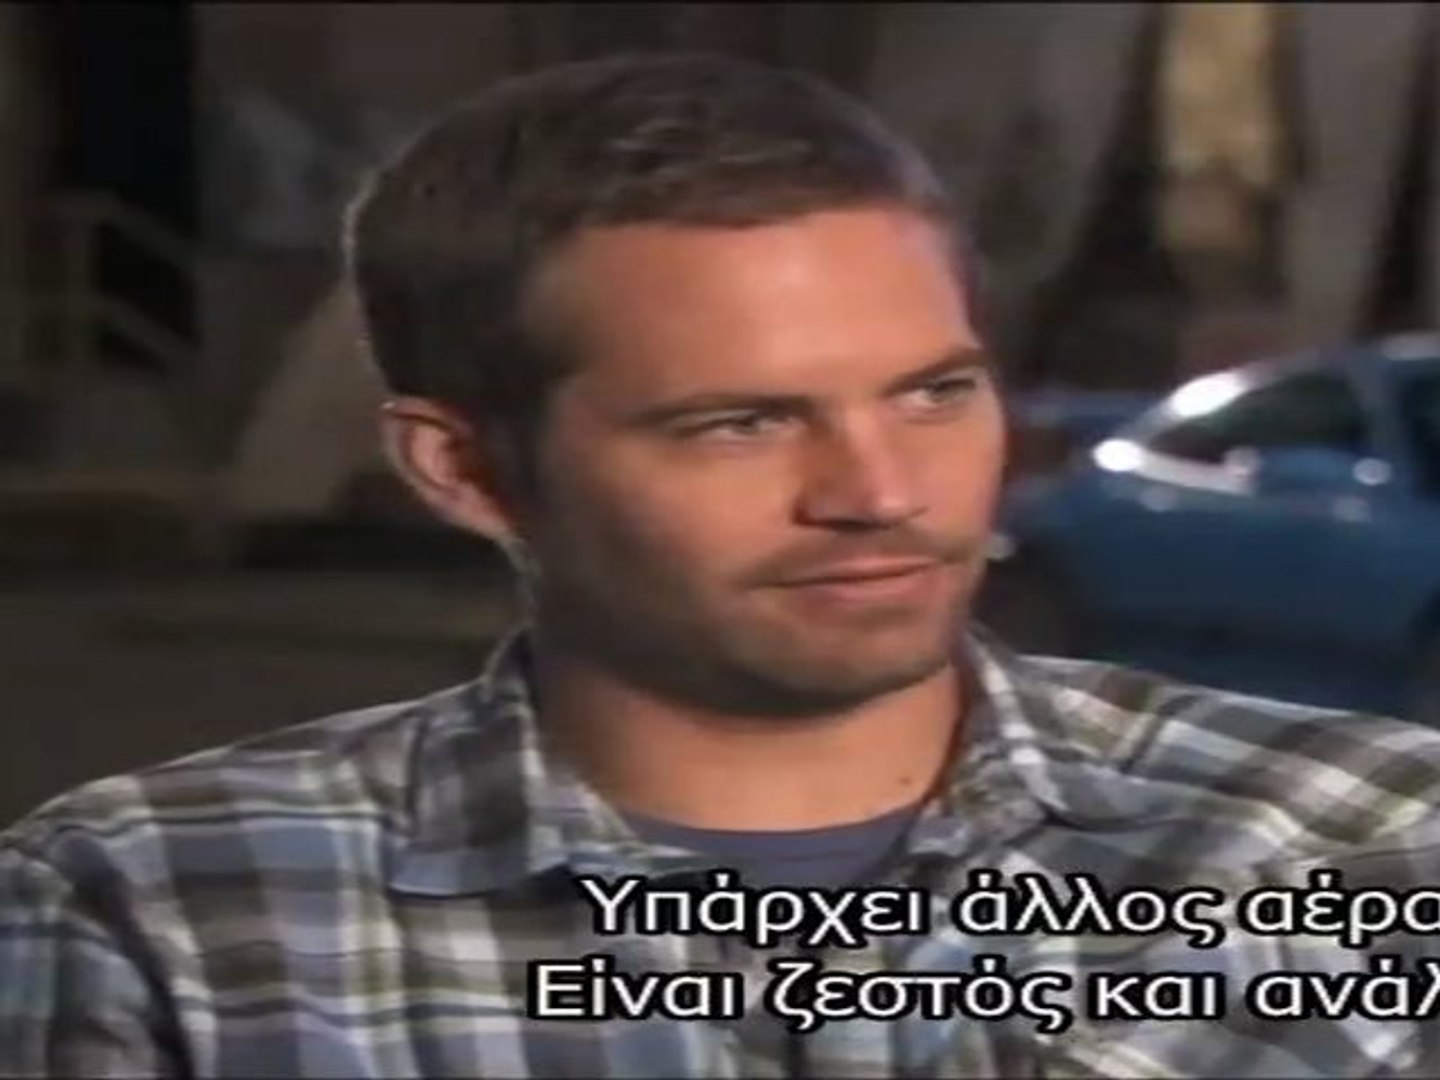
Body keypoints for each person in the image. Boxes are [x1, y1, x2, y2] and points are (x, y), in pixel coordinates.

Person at [4, 51, 1440, 1080]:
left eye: (934, 394)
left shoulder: (1363, 843)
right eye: (740, 423)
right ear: (465, 470)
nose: (879, 494)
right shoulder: (161, 910)